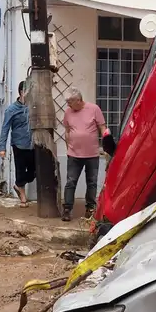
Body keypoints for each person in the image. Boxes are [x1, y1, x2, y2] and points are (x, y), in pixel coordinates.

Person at [61, 88, 109, 222]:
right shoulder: (68, 112)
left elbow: (102, 127)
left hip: (92, 154)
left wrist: (106, 145)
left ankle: (90, 209)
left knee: (92, 182)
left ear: (78, 100)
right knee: (71, 182)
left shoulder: (94, 109)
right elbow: (67, 130)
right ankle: (67, 209)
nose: (68, 105)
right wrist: (68, 148)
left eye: (70, 102)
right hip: (74, 154)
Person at [0, 80, 34, 205]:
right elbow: (5, 128)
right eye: (28, 92)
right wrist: (2, 147)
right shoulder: (11, 110)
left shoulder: (33, 107)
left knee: (34, 171)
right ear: (21, 92)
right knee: (20, 170)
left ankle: (18, 185)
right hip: (19, 144)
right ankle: (23, 196)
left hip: (33, 144)